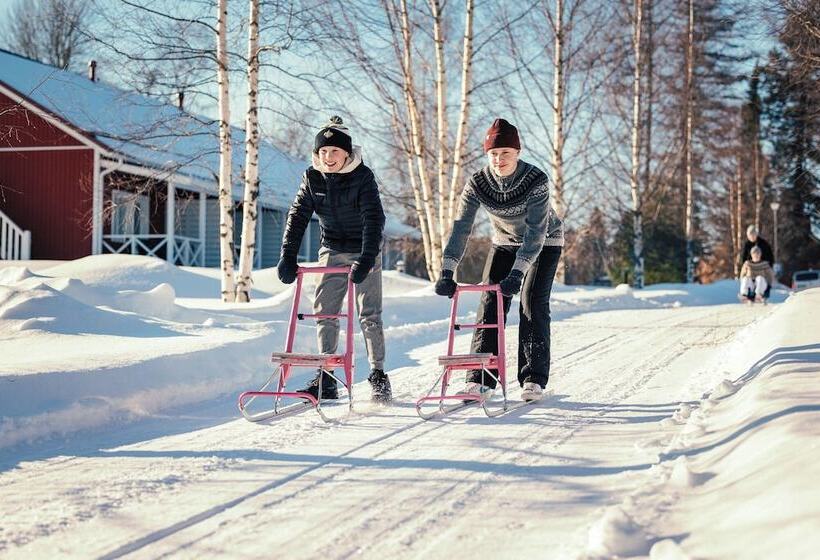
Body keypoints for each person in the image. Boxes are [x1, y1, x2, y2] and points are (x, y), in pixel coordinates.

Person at [434, 118, 564, 402]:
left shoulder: (536, 180)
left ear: (517, 152)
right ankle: (480, 378)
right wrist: (446, 271)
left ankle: (533, 379)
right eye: (493, 153)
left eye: (505, 152)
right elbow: (461, 227)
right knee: (490, 301)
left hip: (544, 242)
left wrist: (517, 273)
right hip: (504, 242)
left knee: (531, 302)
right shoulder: (478, 183)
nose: (499, 159)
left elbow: (535, 232)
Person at [276, 116, 391, 403]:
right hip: (332, 247)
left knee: (369, 313)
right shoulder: (312, 177)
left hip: (365, 248)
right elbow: (298, 215)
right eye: (323, 152)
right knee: (325, 311)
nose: (328, 158)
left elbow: (374, 218)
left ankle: (378, 375)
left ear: (347, 153)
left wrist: (367, 257)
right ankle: (327, 377)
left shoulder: (362, 176)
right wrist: (287, 255)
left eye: (334, 152)